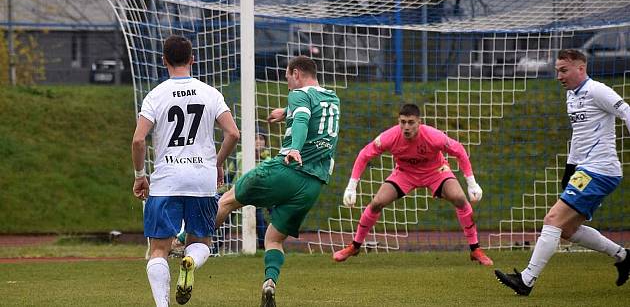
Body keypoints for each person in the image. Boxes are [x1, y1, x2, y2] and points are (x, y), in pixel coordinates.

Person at [495, 49, 630, 295]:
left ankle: (526, 280)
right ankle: (623, 256)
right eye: (557, 70)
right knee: (566, 230)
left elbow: (626, 112)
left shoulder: (597, 90)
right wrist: (570, 167)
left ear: (581, 68)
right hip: (587, 170)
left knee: (552, 220)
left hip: (600, 170)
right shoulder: (571, 96)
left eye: (564, 70)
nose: (559, 76)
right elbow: (579, 137)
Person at [214, 55, 340, 307]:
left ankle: (184, 241)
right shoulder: (332, 99)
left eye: (287, 78)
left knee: (227, 200)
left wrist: (294, 147)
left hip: (288, 169)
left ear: (296, 73)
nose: (287, 84)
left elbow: (303, 120)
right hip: (314, 185)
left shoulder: (298, 95)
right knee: (273, 239)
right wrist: (286, 113)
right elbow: (311, 116)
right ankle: (269, 282)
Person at [131, 35, 240, 306]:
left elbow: (137, 140)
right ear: (193, 59)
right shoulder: (210, 93)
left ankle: (162, 304)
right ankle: (190, 260)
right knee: (201, 241)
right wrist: (217, 163)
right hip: (201, 179)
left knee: (159, 249)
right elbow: (233, 134)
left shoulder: (156, 95)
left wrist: (140, 176)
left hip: (167, 179)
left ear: (164, 60)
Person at [334, 103, 493, 266]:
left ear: (419, 122)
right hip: (405, 173)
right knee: (376, 203)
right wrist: (351, 187)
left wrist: (471, 183)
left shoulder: (434, 136)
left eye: (411, 122)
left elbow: (458, 150)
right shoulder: (390, 136)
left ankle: (475, 249)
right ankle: (355, 246)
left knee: (459, 198)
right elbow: (364, 154)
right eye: (402, 122)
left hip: (435, 172)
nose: (406, 127)